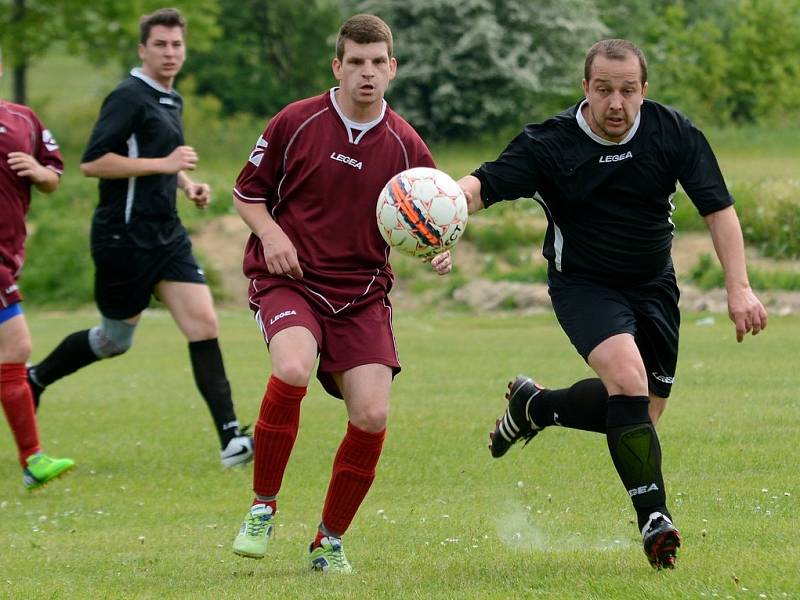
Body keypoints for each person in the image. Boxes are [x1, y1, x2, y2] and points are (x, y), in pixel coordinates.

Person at [459, 39, 767, 569]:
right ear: (585, 89)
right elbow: (478, 187)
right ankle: (654, 519)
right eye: (604, 90)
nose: (616, 103)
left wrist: (737, 287)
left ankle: (535, 406)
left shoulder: (672, 131)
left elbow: (718, 209)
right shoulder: (549, 144)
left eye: (628, 90)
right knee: (627, 378)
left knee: (641, 412)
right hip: (583, 285)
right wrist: (436, 215)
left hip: (654, 284)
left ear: (644, 90)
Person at [229, 14, 451, 573]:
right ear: (338, 66)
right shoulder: (297, 121)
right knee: (295, 367)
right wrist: (272, 234)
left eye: (378, 63)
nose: (367, 73)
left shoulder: (406, 144)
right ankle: (262, 506)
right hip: (291, 280)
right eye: (356, 62)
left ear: (393, 68)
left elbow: (429, 216)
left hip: (361, 294)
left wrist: (438, 247)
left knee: (373, 414)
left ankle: (327, 542)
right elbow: (247, 194)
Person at [25, 8, 253, 468]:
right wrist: (166, 166)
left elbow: (161, 160)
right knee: (114, 341)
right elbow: (94, 162)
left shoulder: (172, 99)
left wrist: (188, 185)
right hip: (122, 238)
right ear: (142, 49)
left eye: (177, 45)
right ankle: (35, 379)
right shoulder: (127, 97)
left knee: (204, 324)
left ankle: (231, 440)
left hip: (166, 236)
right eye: (161, 45)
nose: (170, 53)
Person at [0, 49, 75, 489]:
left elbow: (53, 176)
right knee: (16, 346)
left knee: (13, 353)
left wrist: (36, 171)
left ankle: (32, 459)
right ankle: (33, 459)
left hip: (10, 253)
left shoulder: (23, 118)